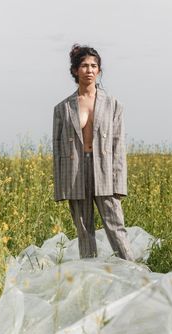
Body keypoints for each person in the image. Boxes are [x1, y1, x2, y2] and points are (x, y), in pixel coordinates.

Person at [52, 43, 135, 261]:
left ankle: (134, 272)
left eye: (94, 66)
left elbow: (119, 146)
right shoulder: (62, 108)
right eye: (84, 65)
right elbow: (58, 148)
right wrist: (61, 187)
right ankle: (91, 276)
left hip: (104, 169)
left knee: (115, 225)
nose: (89, 70)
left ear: (99, 70)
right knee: (83, 229)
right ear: (74, 71)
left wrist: (120, 184)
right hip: (75, 170)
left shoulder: (114, 105)